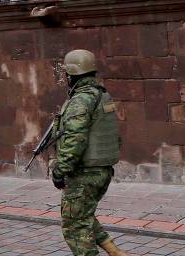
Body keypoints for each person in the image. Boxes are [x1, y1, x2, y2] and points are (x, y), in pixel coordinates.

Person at [52, 50, 125, 256]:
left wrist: (61, 169)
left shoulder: (81, 100)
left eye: (66, 73)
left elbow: (75, 138)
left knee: (75, 227)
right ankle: (117, 253)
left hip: (85, 173)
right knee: (83, 216)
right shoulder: (102, 94)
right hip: (102, 171)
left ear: (72, 74)